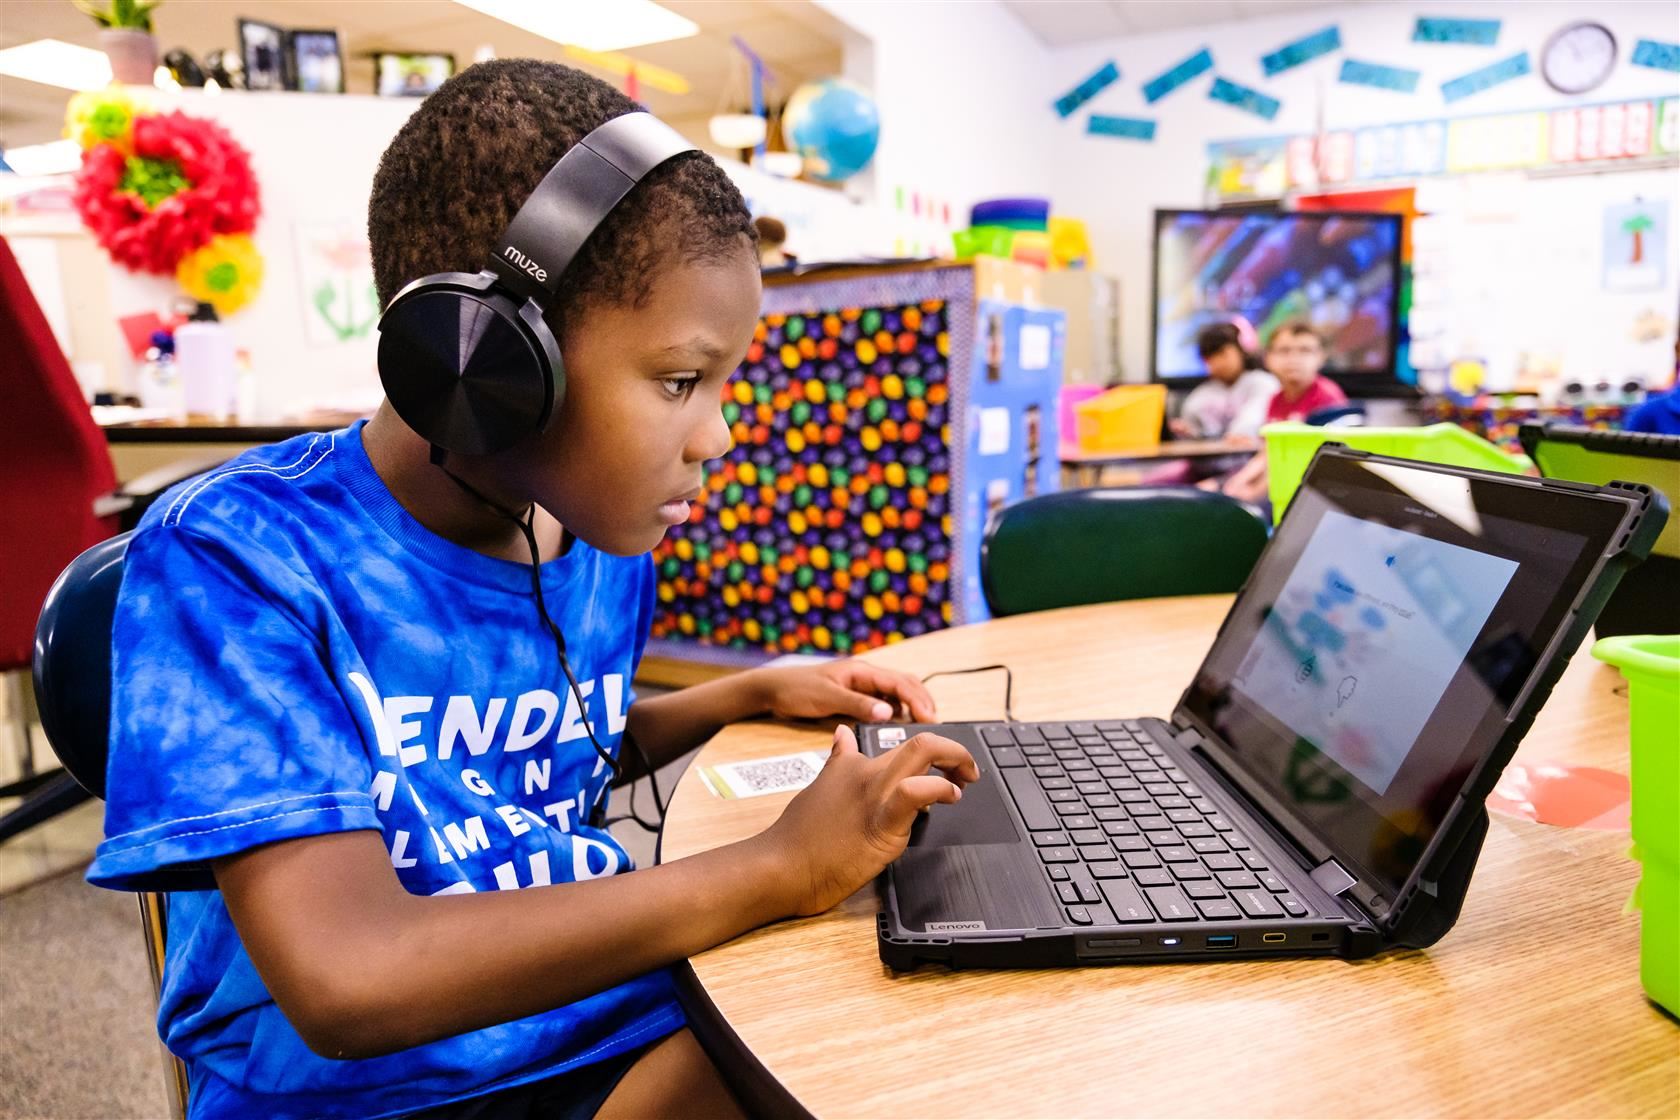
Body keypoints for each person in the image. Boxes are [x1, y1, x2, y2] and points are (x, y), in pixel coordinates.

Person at [85, 60, 976, 1120]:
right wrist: (777, 867)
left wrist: (734, 697)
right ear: (488, 363)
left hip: (594, 1013)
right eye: (683, 381)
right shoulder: (240, 560)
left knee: (916, 999)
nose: (720, 437)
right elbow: (349, 979)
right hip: (376, 1091)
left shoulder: (588, 537)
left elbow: (519, 764)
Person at [1211, 322, 1347, 505]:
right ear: (1268, 358)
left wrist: (1253, 492)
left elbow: (1303, 461)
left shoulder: (1328, 398)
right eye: (1284, 351)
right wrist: (1237, 481)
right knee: (1209, 489)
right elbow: (1269, 451)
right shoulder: (1275, 399)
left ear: (1321, 357)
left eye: (1305, 350)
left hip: (1307, 491)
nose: (1294, 358)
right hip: (1276, 481)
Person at [1168, 321, 1278, 441]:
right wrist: (1187, 432)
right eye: (1210, 358)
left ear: (1240, 350)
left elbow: (1248, 427)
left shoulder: (1262, 383)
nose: (1218, 362)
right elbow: (1192, 433)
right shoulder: (1201, 395)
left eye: (1223, 353)